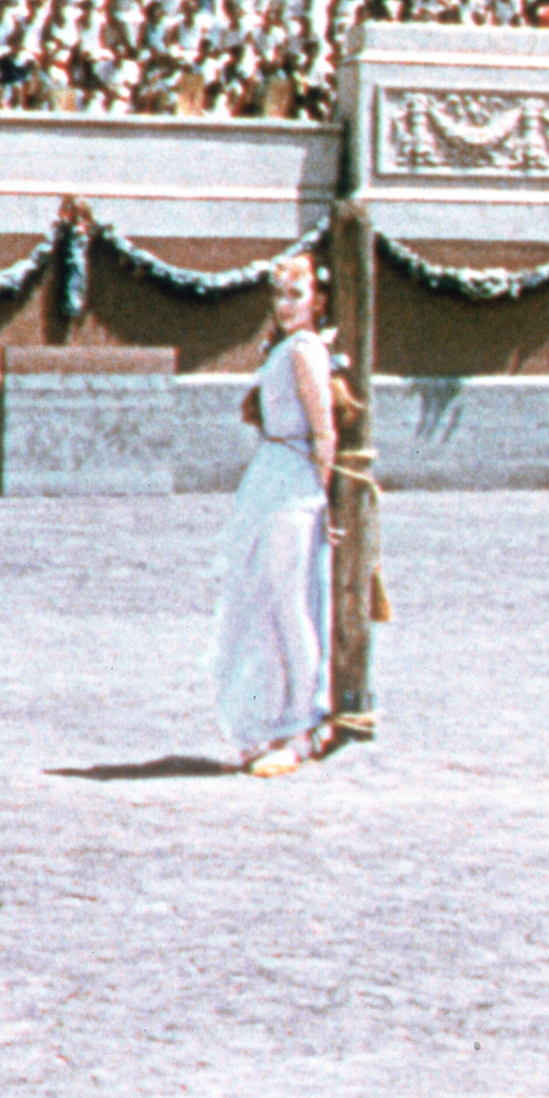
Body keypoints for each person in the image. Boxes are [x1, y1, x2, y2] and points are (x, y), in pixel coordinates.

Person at [210, 252, 344, 778]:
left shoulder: (307, 351)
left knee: (292, 604)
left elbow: (324, 431)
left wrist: (323, 494)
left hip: (293, 482)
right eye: (280, 295)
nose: (286, 306)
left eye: (297, 295)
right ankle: (265, 719)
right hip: (271, 476)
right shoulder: (286, 347)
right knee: (261, 601)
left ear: (318, 301)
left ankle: (301, 728)